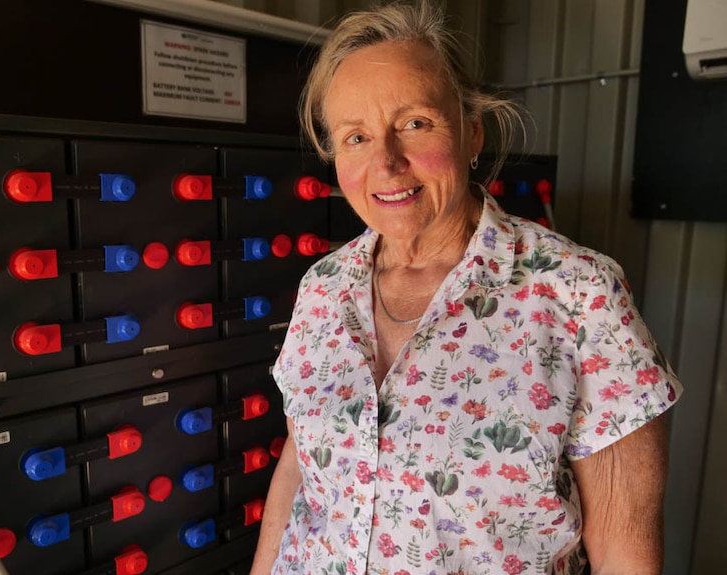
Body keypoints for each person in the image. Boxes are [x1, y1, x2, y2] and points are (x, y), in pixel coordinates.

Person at [250, 1, 682, 574]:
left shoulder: (580, 296)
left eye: (414, 123)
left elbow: (625, 553)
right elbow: (299, 468)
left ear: (472, 132)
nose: (387, 161)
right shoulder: (322, 289)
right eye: (356, 137)